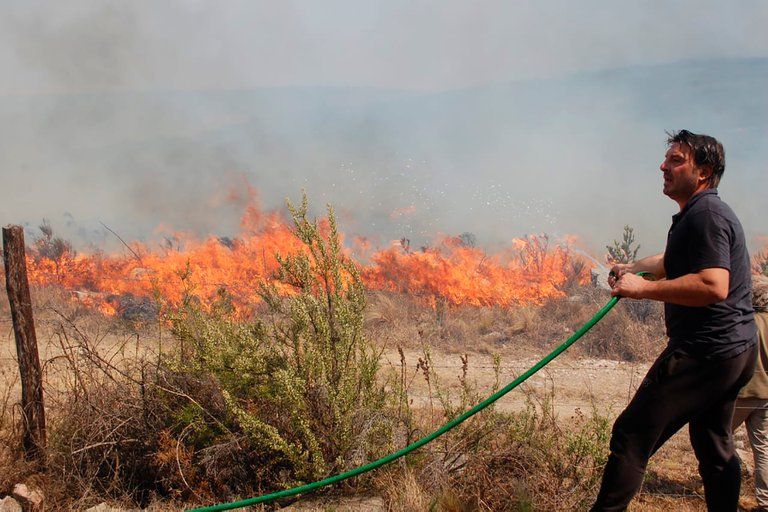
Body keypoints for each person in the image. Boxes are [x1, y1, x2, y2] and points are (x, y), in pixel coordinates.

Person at [590, 130, 758, 512]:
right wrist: (632, 267)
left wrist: (640, 290)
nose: (663, 167)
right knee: (713, 445)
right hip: (734, 350)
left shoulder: (707, 216)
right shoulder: (700, 213)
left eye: (676, 160)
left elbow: (713, 285)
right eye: (666, 159)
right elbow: (674, 261)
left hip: (705, 352)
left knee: (631, 435)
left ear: (704, 172)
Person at [733, 275, 768, 512]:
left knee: (718, 439)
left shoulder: (744, 322)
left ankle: (725, 489)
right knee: (763, 448)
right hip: (766, 395)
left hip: (741, 393)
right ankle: (765, 503)